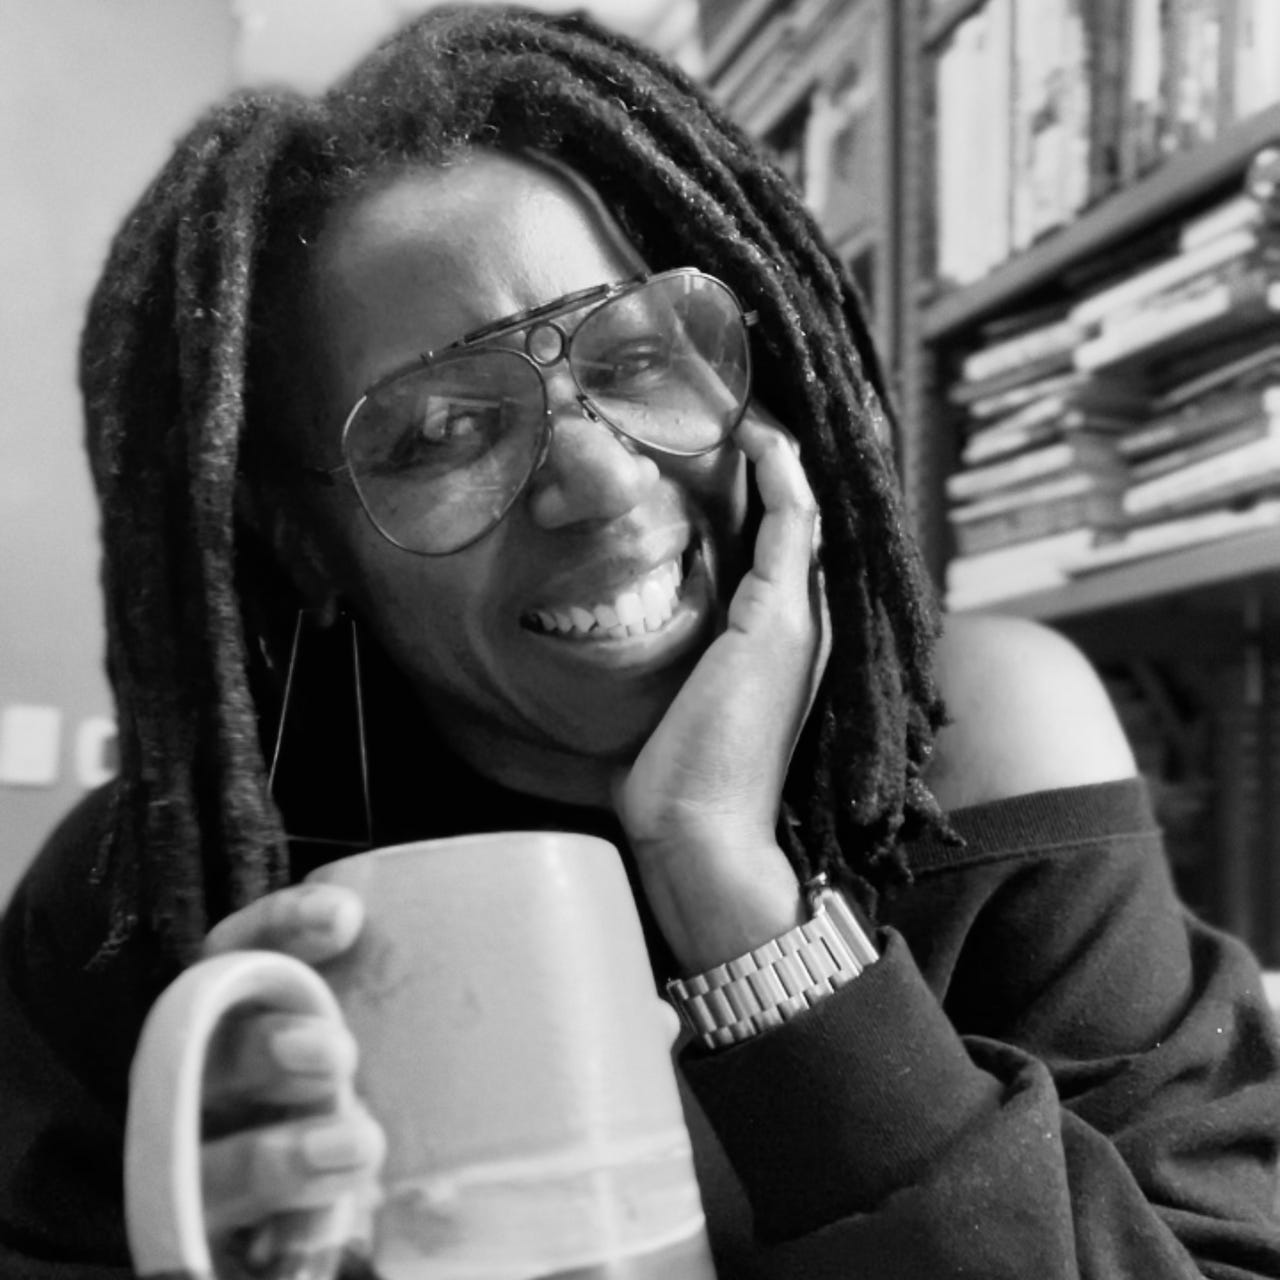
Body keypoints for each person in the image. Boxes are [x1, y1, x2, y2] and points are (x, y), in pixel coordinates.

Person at [2, 5, 1278, 1277]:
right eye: (443, 430)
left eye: (632, 356)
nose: (603, 483)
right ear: (307, 543)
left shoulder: (980, 745)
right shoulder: (167, 896)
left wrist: (745, 911)